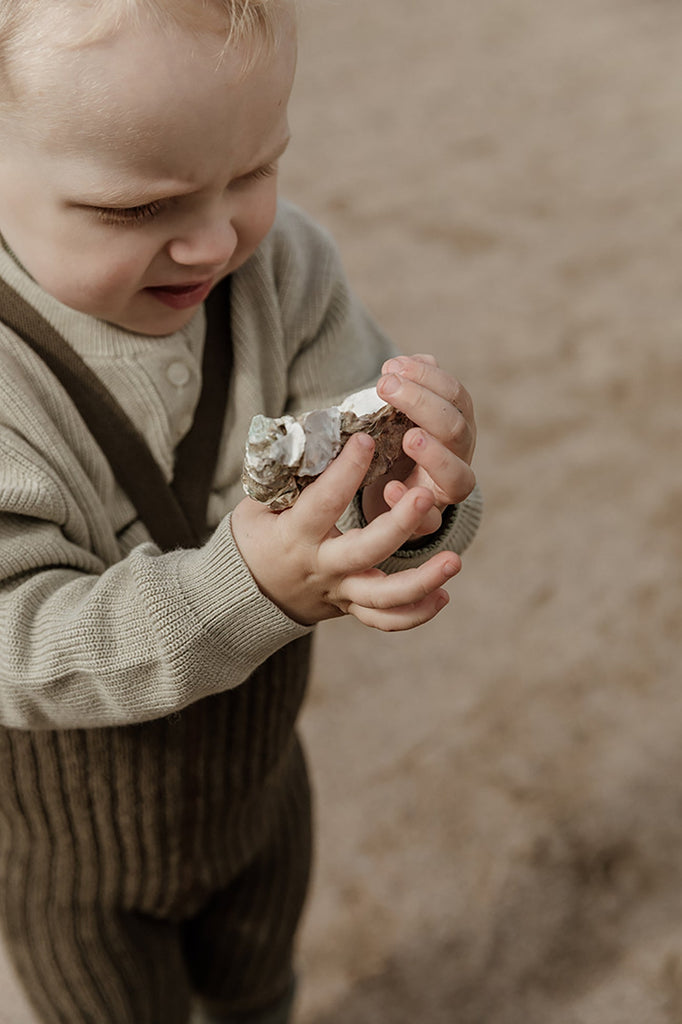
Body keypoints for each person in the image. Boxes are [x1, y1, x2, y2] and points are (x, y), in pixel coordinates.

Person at [0, 1, 482, 1022]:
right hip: (73, 859)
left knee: (262, 992)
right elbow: (17, 645)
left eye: (253, 171)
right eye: (139, 209)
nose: (215, 239)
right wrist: (246, 587)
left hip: (258, 790)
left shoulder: (282, 271)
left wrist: (413, 495)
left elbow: (357, 479)